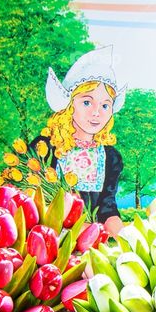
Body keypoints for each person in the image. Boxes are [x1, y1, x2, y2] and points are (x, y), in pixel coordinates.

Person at [32, 45, 125, 233]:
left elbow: (107, 207)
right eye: (87, 102)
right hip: (49, 238)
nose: (96, 112)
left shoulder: (111, 157)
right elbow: (33, 202)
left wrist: (126, 239)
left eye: (105, 105)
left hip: (92, 240)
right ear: (68, 104)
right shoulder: (45, 147)